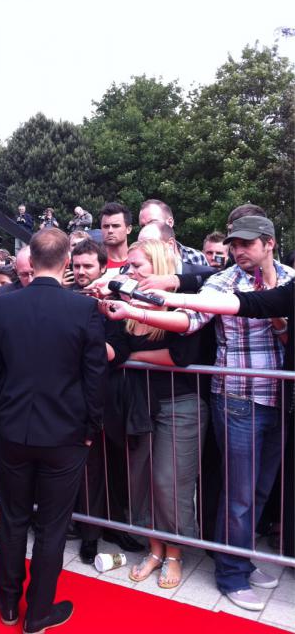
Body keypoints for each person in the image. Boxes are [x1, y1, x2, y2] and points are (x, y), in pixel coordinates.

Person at [101, 215, 294, 611]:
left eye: (247, 244)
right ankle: (231, 573)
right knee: (238, 494)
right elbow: (189, 322)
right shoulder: (221, 281)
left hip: (281, 398)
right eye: (234, 244)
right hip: (238, 398)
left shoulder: (289, 279)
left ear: (269, 244)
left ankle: (241, 557)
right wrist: (144, 308)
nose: (238, 252)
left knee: (260, 490)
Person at [0, 228, 107, 633]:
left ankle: (7, 603)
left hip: (15, 430)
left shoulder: (4, 306)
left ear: (31, 261)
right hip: (65, 434)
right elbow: (94, 376)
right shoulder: (83, 309)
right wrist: (91, 426)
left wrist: (3, 413)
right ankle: (37, 613)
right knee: (53, 525)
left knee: (15, 517)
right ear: (68, 260)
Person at [101, 239, 208, 589]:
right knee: (142, 482)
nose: (130, 273)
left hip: (182, 405)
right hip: (140, 405)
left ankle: (175, 553)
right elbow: (117, 351)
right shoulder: (126, 307)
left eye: (137, 266)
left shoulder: (183, 307)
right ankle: (155, 549)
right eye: (128, 267)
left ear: (160, 267)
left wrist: (136, 357)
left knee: (170, 483)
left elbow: (181, 357)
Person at [138, 199, 209, 266]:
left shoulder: (196, 258)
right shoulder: (139, 261)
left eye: (152, 222)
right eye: (143, 226)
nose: (146, 228)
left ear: (170, 222)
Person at [100, 202, 133, 276]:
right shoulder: (94, 263)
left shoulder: (140, 262)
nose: (110, 231)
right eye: (106, 226)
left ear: (128, 229)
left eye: (116, 226)